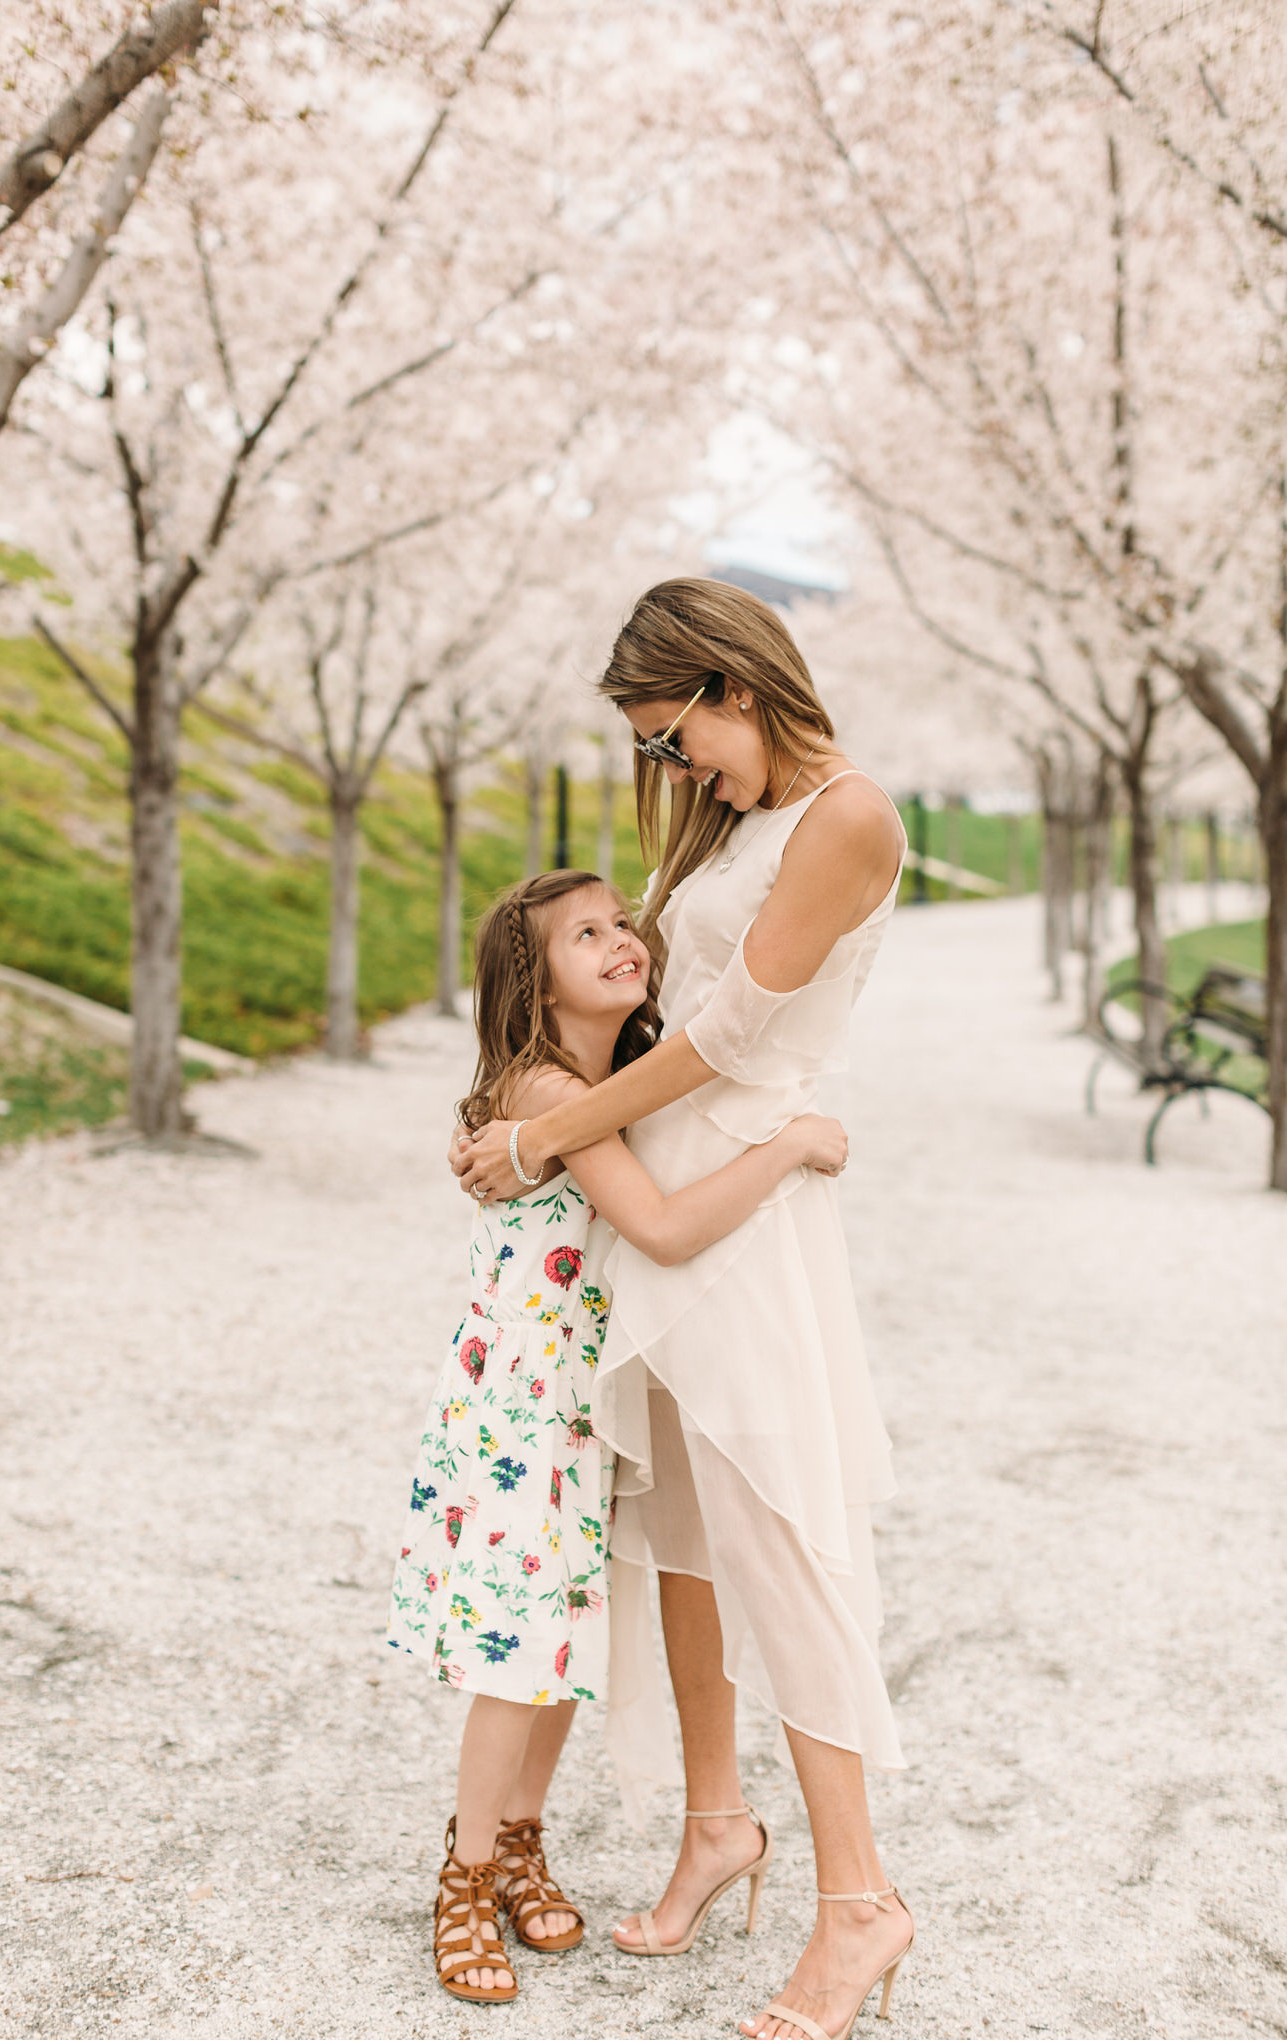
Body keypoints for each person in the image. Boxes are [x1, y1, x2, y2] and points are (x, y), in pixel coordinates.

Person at [451, 579, 916, 2040]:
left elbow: (722, 1039)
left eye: (676, 737)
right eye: (658, 751)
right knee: (686, 1551)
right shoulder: (737, 814)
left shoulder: (848, 816)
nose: (675, 772)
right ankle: (719, 1824)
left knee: (784, 1545)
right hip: (653, 1210)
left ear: (734, 682)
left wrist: (540, 1141)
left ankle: (860, 1908)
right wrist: (538, 1107)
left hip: (741, 1213)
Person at [389, 864, 851, 2006]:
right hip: (525, 1415)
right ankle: (464, 1872)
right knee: (514, 1655)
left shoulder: (618, 1081)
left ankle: (517, 1841)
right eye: (581, 935)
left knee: (557, 1649)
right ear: (532, 986)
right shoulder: (548, 1091)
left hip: (574, 1412)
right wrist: (788, 1146)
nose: (618, 941)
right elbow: (660, 1228)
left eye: (618, 923)